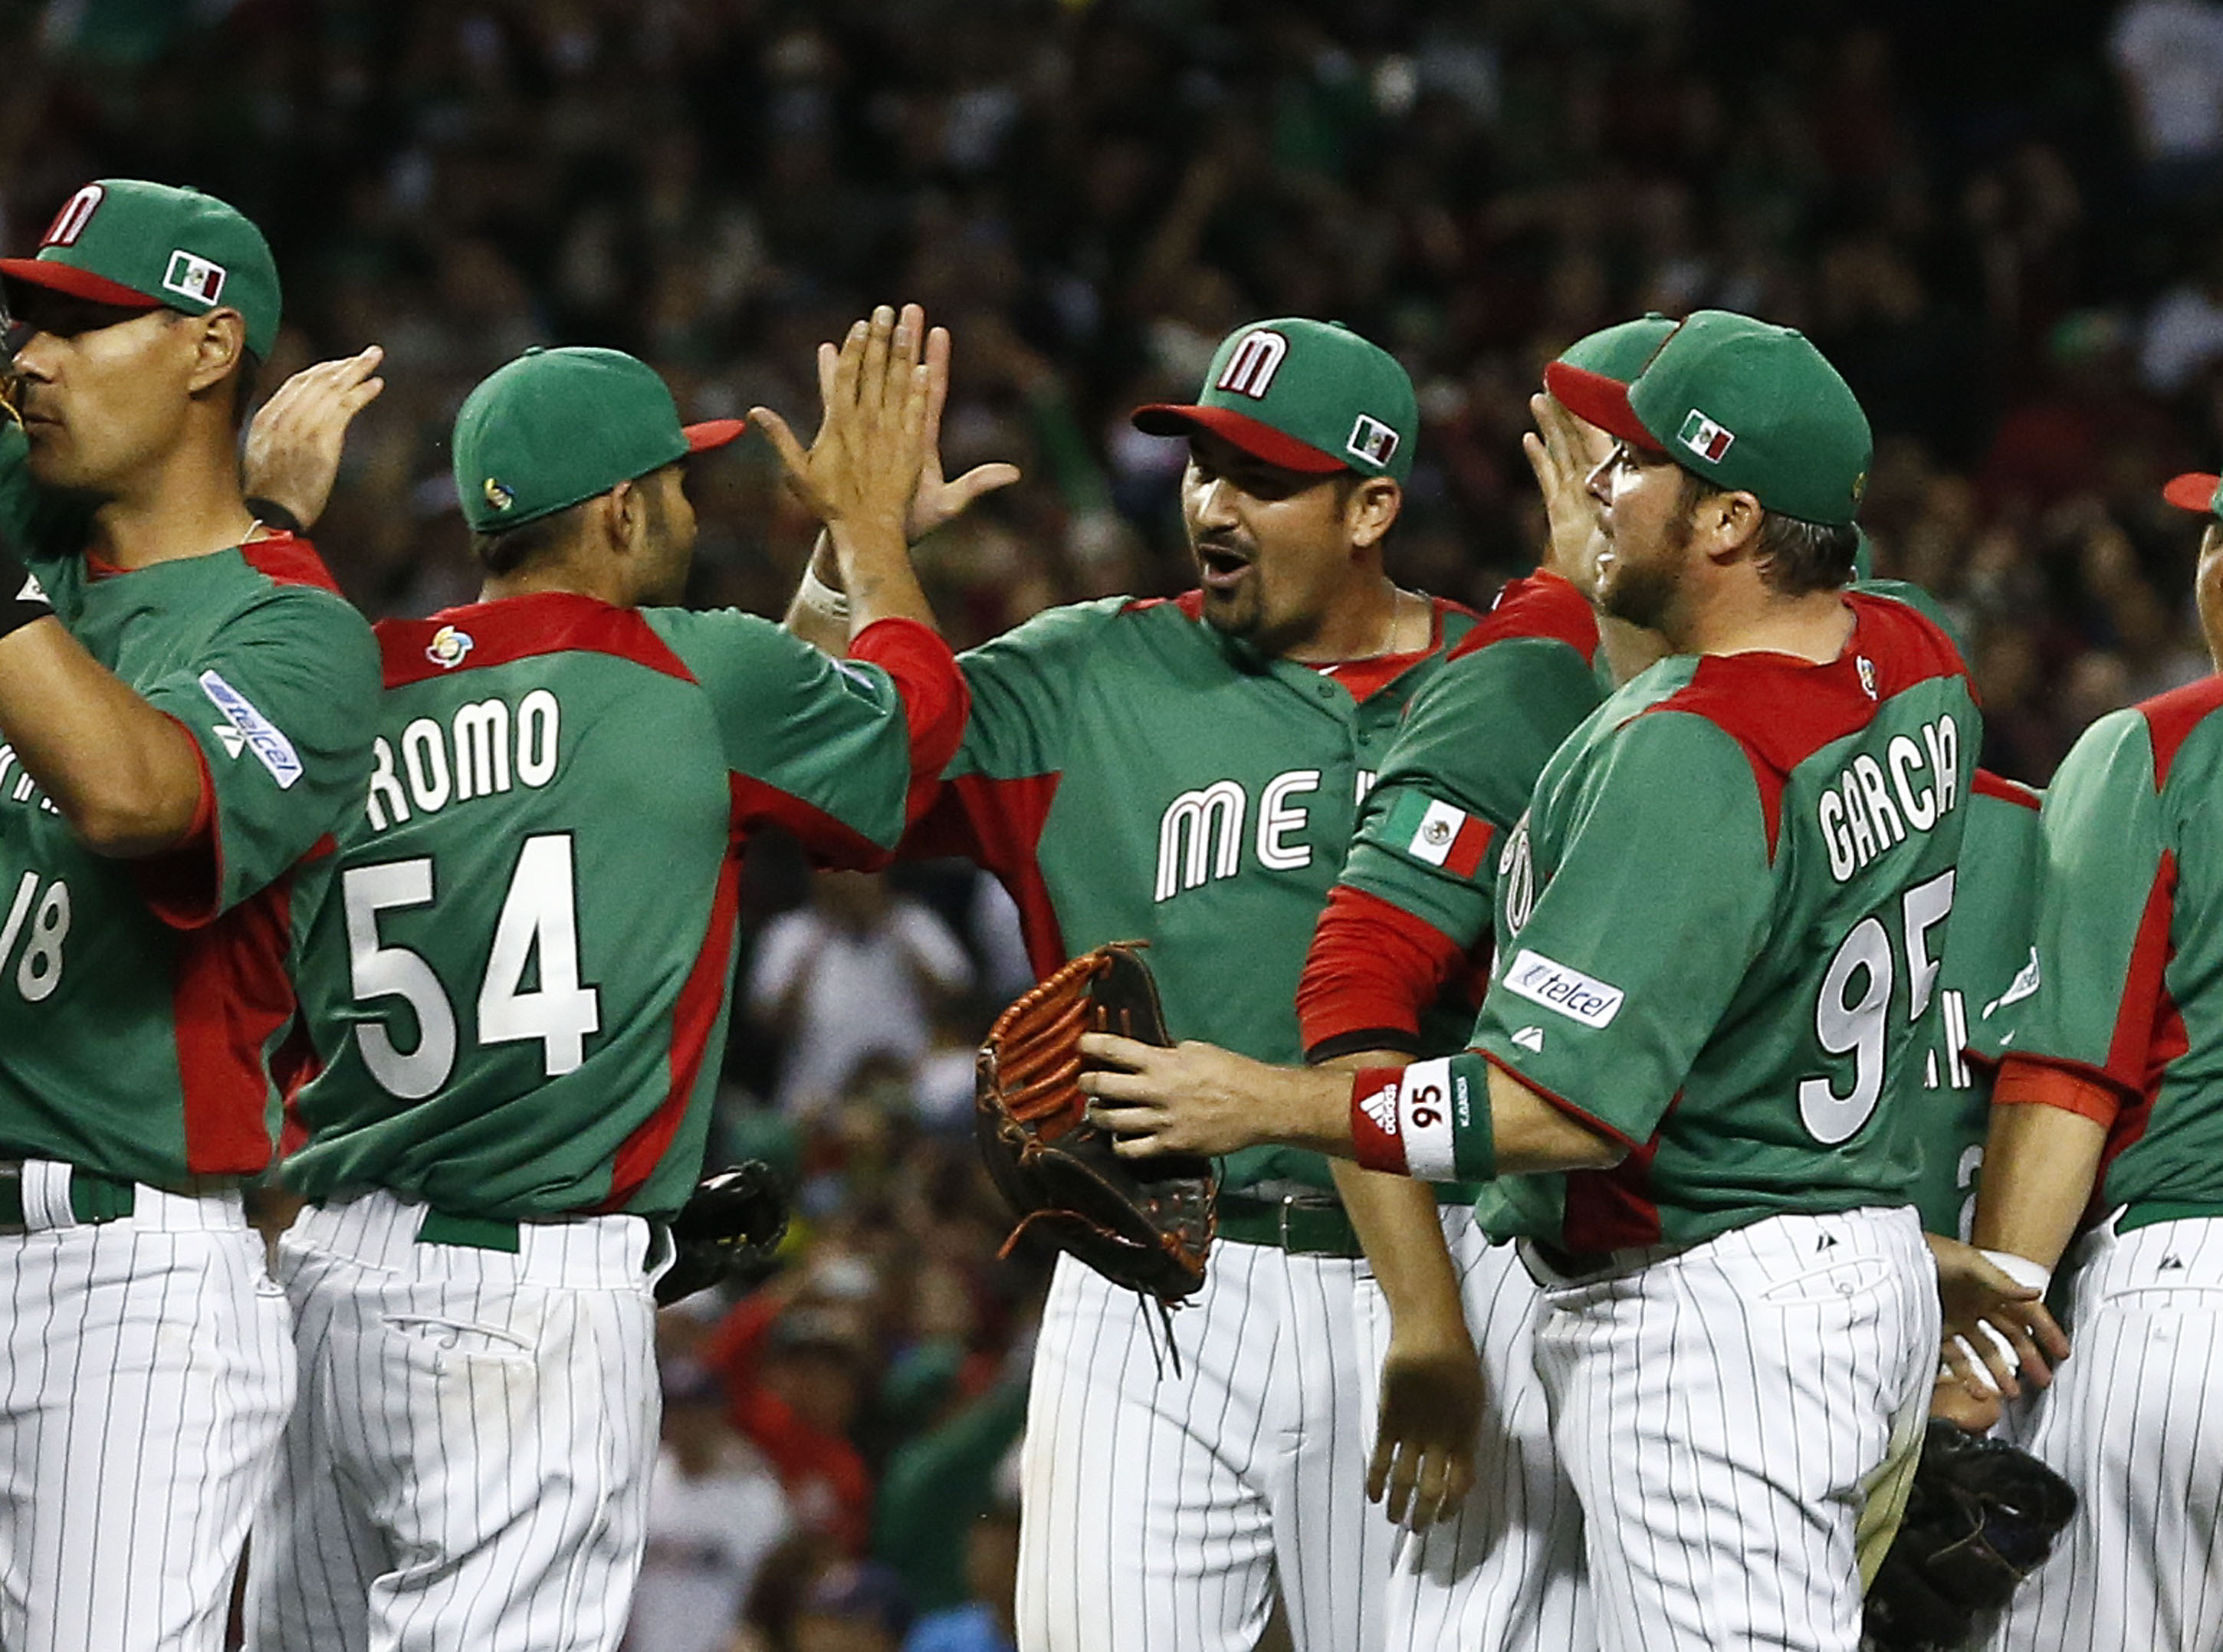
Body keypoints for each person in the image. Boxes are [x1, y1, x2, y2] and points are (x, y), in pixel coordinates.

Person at [1085, 310, 1993, 1652]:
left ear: (1733, 517)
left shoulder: (1663, 738)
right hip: (1838, 1246)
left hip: (1694, 1296)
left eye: (1627, 455)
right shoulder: (1917, 662)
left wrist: (1266, 1106)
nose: (1589, 486)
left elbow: (1560, 1102)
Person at [246, 310, 965, 1652]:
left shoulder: (362, 687)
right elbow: (907, 739)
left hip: (329, 1276)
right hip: (530, 1303)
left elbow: (696, 732)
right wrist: (869, 534)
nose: (693, 505)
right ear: (624, 511)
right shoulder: (695, 681)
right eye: (678, 485)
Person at [794, 316, 1484, 1652]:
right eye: (1200, 465)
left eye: (1264, 478)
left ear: (1373, 507)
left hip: (1412, 1274)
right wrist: (850, 555)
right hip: (1147, 1282)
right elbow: (818, 774)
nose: (1215, 504)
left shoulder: (1500, 692)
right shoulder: (1086, 671)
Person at [0, 178, 379, 1652]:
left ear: (211, 348)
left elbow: (137, 799)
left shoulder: (296, 636)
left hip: (119, 1280)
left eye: (85, 323)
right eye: (23, 322)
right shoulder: (33, 516)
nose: (31, 356)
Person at [1289, 314, 1673, 1651]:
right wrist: (1428, 1321)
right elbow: (1349, 998)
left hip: (1770, 1271)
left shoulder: (1836, 671)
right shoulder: (1518, 680)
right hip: (1547, 1257)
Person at [1966, 466, 2223, 1651]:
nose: (2213, 563)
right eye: (2215, 534)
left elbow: (2068, 1072)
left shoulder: (2157, 751)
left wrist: (1985, 1334)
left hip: (2186, 1309)